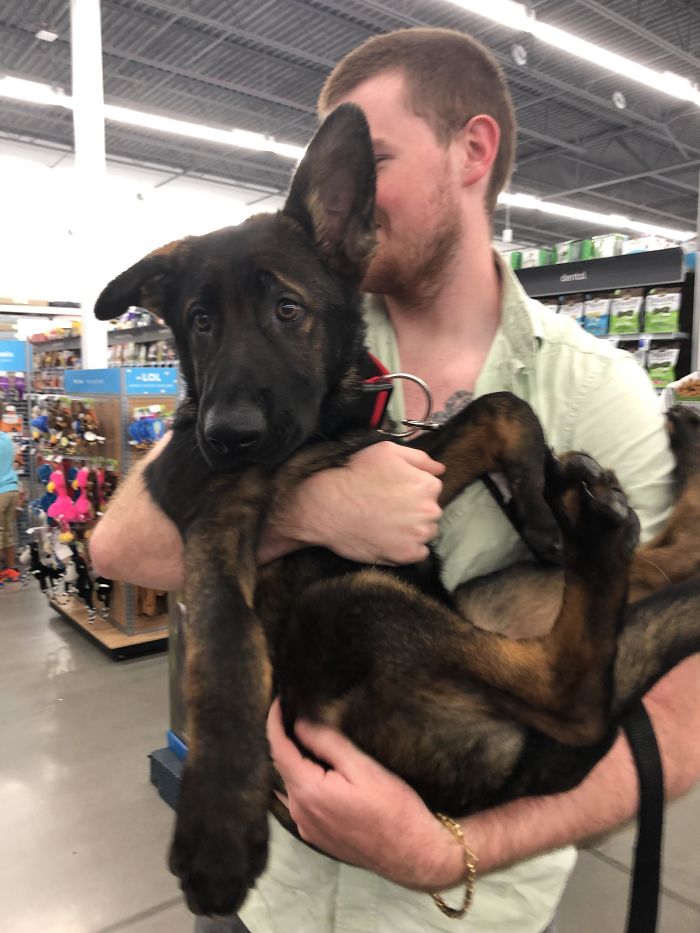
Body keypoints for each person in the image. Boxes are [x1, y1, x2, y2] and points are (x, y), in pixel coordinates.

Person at [90, 27, 700, 933]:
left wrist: (447, 849)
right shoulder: (317, 320)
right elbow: (121, 545)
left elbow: (682, 724)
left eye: (371, 163)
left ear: (473, 151)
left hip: (454, 899)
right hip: (275, 896)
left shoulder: (594, 385)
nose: (346, 203)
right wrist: (316, 507)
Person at [0, 425, 21, 584]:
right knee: (7, 533)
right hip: (12, 489)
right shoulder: (6, 438)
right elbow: (17, 460)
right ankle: (12, 570)